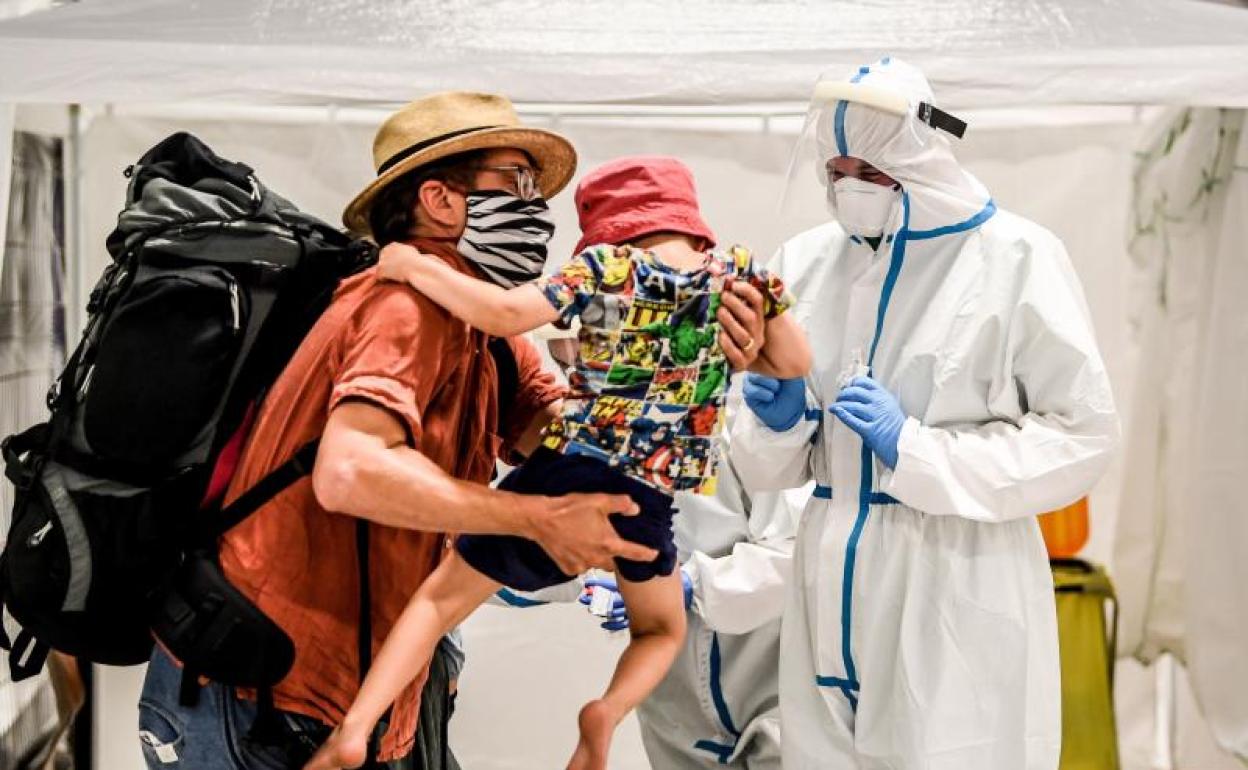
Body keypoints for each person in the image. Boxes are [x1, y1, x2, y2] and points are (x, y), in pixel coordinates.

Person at [135, 92, 698, 770]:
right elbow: (350, 472)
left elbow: (558, 436)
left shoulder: (482, 329)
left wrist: (672, 355)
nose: (536, 206)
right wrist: (536, 518)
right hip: (263, 693)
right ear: (440, 199)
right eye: (517, 182)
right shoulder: (404, 306)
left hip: (344, 691)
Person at [305, 155, 811, 770]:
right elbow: (795, 362)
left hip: (569, 468)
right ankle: (605, 713)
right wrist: (749, 346)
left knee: (437, 602)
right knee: (660, 632)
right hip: (647, 496)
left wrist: (414, 267)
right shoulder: (737, 274)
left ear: (608, 230)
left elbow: (502, 314)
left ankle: (355, 728)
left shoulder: (607, 268)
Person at [730, 58, 1120, 769]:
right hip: (825, 579)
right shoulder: (805, 262)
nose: (849, 188)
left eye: (870, 171)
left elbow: (1081, 436)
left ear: (918, 158)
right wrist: (779, 423)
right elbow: (765, 469)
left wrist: (913, 450)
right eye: (836, 171)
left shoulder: (1015, 258)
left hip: (954, 577)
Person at [578, 427, 806, 769]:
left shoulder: (749, 424)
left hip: (765, 670)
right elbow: (558, 535)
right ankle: (608, 713)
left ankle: (609, 712)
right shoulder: (599, 434)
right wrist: (585, 578)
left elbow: (797, 549)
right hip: (674, 687)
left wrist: (692, 583)